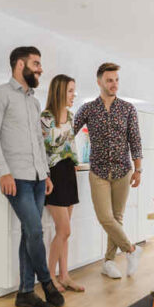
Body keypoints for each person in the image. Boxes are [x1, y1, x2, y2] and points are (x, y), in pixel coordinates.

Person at [0, 46, 64, 307]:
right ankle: (47, 283)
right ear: (20, 65)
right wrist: (2, 171)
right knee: (36, 230)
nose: (40, 69)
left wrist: (46, 173)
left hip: (38, 177)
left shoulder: (34, 101)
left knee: (29, 233)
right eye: (36, 63)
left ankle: (25, 292)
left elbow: (38, 142)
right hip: (15, 177)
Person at [74, 62, 143, 279]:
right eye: (109, 80)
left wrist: (138, 169)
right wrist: (68, 156)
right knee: (105, 217)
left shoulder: (127, 108)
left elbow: (135, 140)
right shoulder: (88, 108)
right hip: (98, 171)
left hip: (123, 170)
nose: (114, 84)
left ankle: (109, 262)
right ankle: (131, 250)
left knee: (117, 217)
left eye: (116, 80)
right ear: (99, 82)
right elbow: (70, 131)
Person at [41, 74, 85, 293]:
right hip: (53, 174)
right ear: (59, 91)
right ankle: (49, 278)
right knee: (63, 230)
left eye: (74, 91)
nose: (73, 95)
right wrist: (45, 176)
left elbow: (71, 143)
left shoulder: (69, 115)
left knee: (66, 231)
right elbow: (42, 150)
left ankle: (64, 276)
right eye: (70, 91)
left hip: (68, 171)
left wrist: (75, 163)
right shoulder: (45, 117)